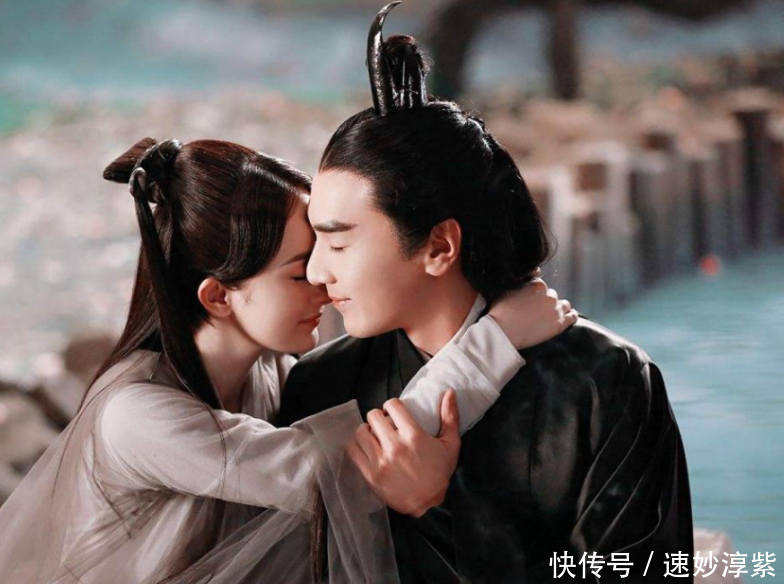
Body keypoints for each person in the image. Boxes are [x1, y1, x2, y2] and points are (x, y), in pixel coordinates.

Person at [0, 136, 576, 583]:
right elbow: (339, 470)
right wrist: (493, 342)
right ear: (219, 297)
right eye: (300, 271)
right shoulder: (136, 415)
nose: (323, 280)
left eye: (329, 253)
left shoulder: (267, 368)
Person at [277, 4, 693, 583]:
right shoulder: (321, 386)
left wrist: (436, 507)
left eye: (339, 244)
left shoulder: (608, 381)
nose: (318, 272)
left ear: (439, 247)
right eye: (315, 242)